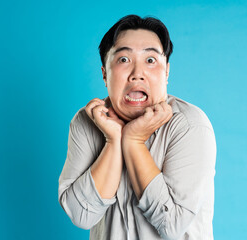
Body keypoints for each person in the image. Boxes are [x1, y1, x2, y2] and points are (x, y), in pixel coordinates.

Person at [58, 15, 217, 240]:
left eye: (150, 60)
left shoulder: (189, 126)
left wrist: (133, 142)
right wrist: (113, 140)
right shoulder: (87, 122)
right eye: (123, 59)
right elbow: (81, 215)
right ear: (105, 73)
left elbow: (172, 225)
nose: (137, 73)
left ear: (167, 72)